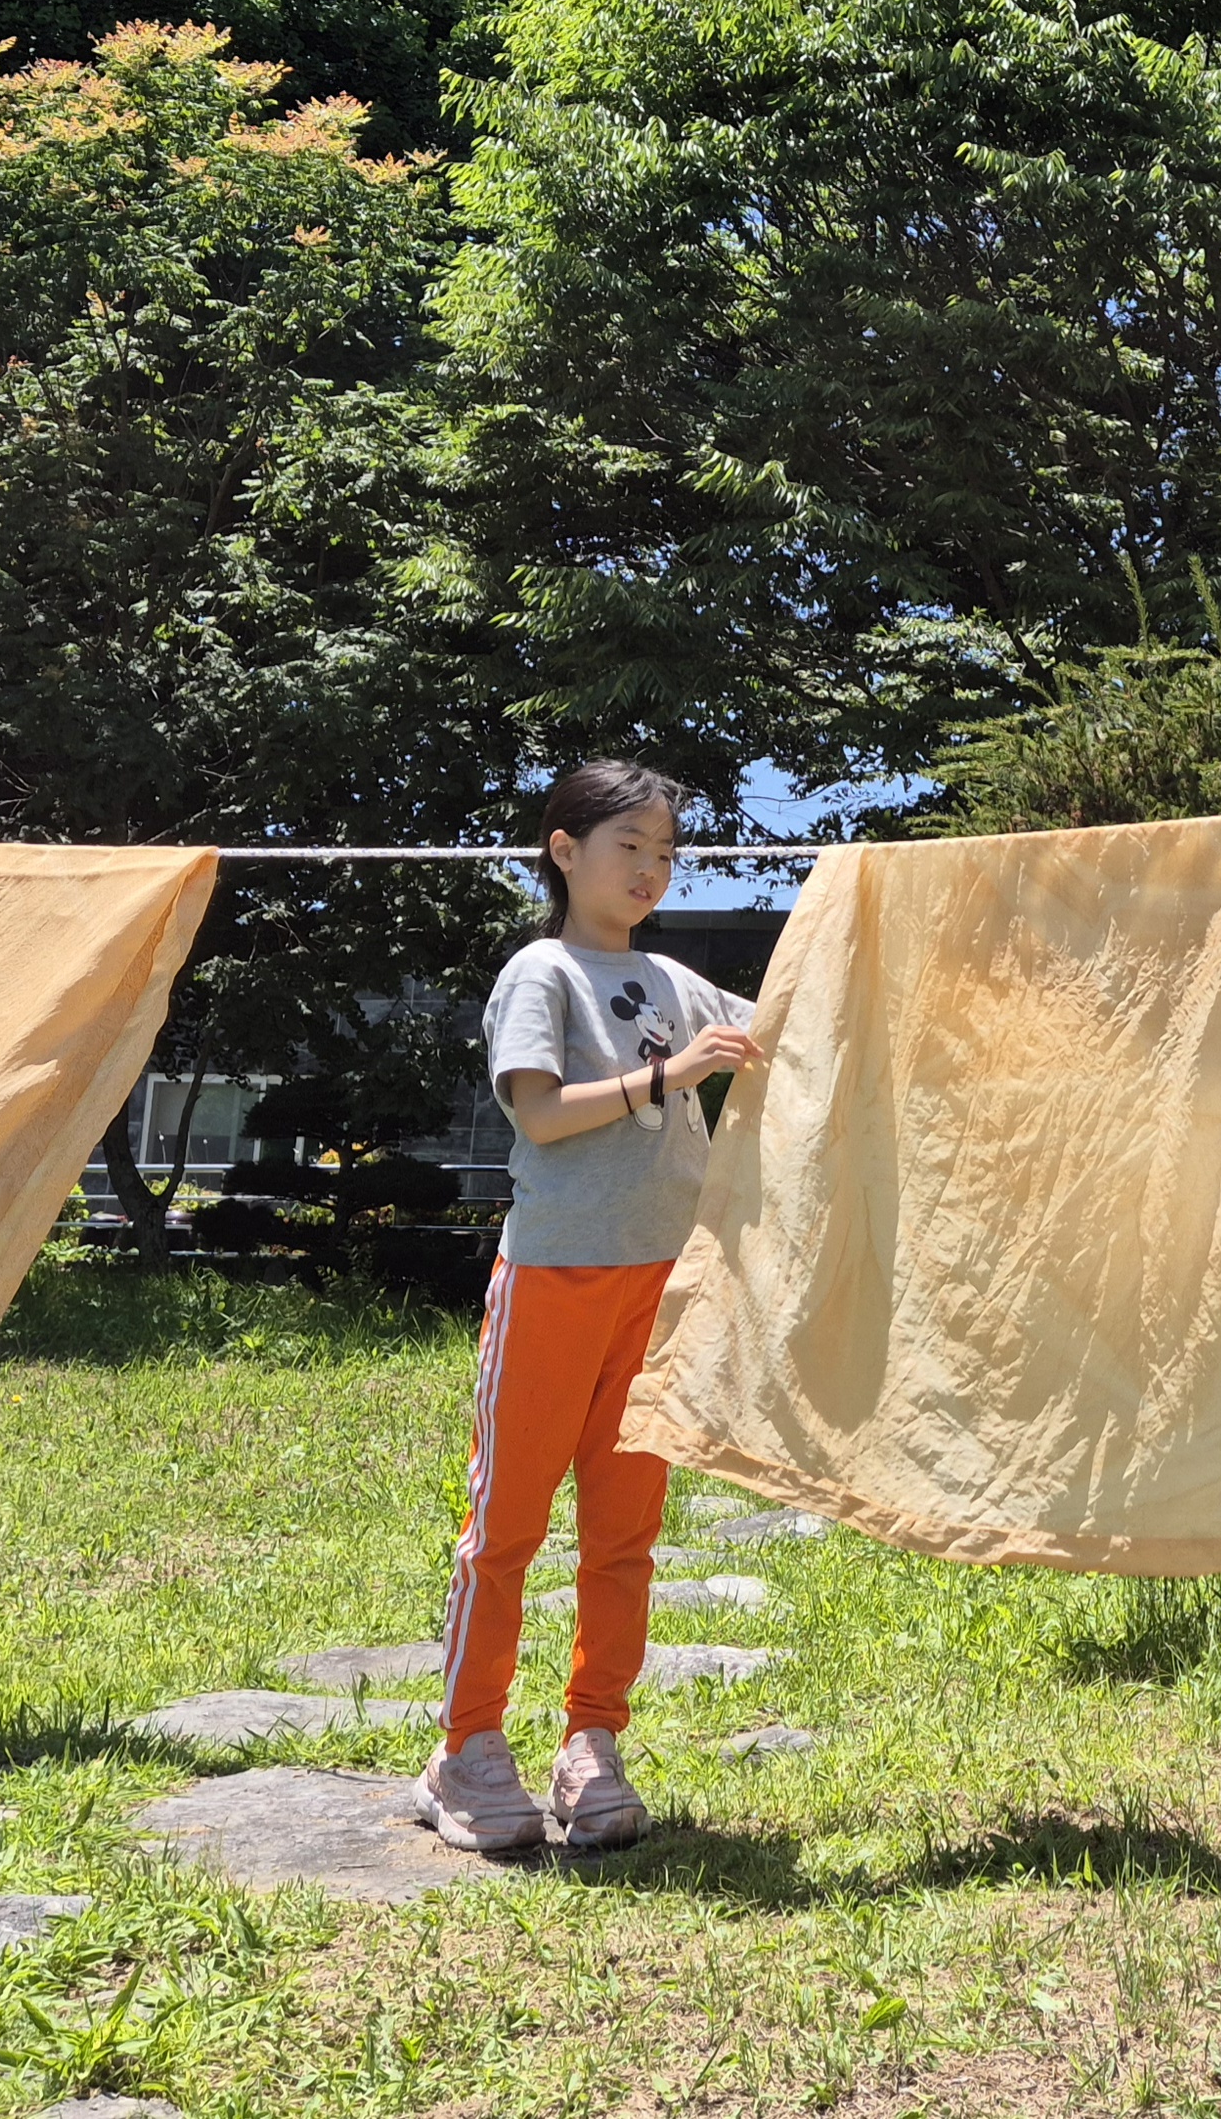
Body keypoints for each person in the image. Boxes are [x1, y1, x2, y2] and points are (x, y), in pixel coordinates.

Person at [411, 758, 764, 1854]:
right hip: (555, 1280)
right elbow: (541, 1118)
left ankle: (592, 1745)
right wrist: (673, 1075)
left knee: (626, 1536)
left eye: (667, 853)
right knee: (505, 1530)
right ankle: (465, 1750)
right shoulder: (539, 972)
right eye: (631, 848)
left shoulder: (676, 981)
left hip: (661, 1293)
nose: (652, 870)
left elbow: (798, 1033)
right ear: (564, 851)